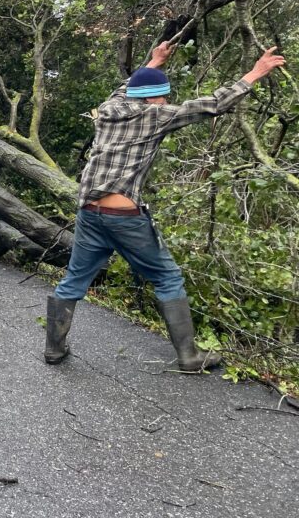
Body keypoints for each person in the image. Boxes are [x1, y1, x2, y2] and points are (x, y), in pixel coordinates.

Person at [46, 42, 286, 371]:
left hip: (89, 211)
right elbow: (213, 104)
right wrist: (256, 72)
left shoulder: (108, 108)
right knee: (168, 277)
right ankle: (189, 356)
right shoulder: (155, 115)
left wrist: (155, 61)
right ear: (154, 98)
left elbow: (125, 88)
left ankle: (54, 350)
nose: (167, 101)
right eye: (164, 95)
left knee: (74, 278)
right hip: (123, 215)